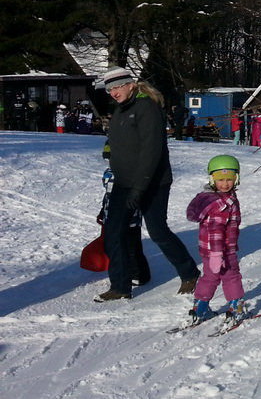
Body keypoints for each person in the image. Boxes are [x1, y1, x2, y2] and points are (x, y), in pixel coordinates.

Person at [94, 67, 200, 302]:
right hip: (123, 182)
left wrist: (140, 188)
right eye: (109, 89)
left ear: (130, 84)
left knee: (157, 231)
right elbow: (118, 143)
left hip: (152, 182)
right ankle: (120, 287)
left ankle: (190, 273)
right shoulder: (121, 110)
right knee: (114, 233)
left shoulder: (146, 108)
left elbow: (151, 152)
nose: (113, 92)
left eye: (117, 87)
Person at [186, 155, 248, 323]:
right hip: (222, 250)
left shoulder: (211, 198)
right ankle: (236, 307)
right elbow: (216, 231)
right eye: (220, 179)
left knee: (210, 277)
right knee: (231, 276)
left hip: (209, 250)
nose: (225, 183)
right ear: (212, 179)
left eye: (230, 179)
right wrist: (217, 254)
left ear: (237, 178)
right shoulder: (222, 204)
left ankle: (200, 307)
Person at [98, 141, 150, 287]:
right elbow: (108, 195)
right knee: (119, 246)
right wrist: (103, 210)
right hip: (112, 214)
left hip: (129, 217)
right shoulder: (109, 172)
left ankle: (140, 274)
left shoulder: (129, 173)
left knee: (131, 246)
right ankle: (129, 271)